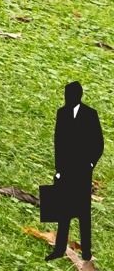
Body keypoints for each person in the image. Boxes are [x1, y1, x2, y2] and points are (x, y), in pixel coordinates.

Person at [52, 81, 103, 261]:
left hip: (81, 170)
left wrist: (89, 164)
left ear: (78, 95)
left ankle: (86, 252)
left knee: (83, 213)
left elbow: (98, 143)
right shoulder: (62, 113)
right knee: (63, 211)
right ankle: (59, 249)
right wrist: (58, 169)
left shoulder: (90, 114)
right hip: (65, 170)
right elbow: (58, 143)